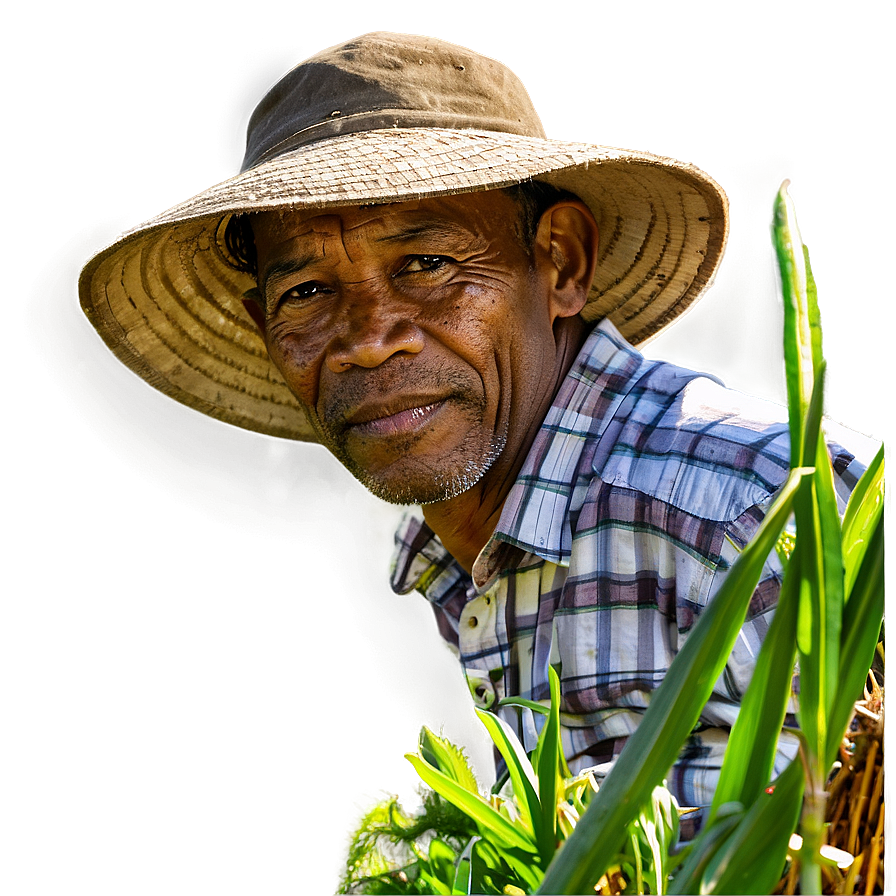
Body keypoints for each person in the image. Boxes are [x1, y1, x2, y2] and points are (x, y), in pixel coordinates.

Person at [78, 32, 875, 816]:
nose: (369, 339)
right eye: (309, 293)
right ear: (264, 328)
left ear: (560, 262)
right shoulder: (466, 566)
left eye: (426, 265)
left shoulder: (769, 509)